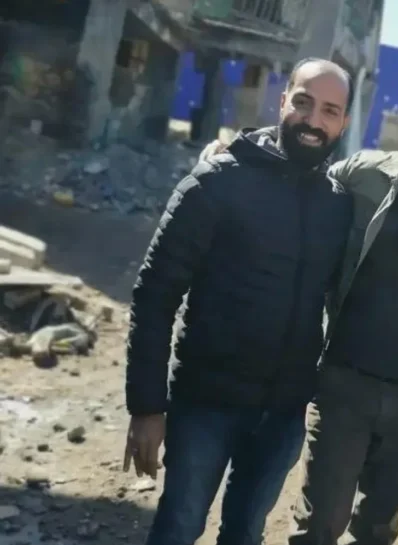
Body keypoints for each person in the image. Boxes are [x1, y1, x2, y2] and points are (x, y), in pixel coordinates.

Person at [199, 73, 398, 545]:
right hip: (343, 388)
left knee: (375, 530)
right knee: (318, 526)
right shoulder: (364, 176)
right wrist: (235, 159)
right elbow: (298, 175)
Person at [122, 58, 354, 545]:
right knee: (179, 528)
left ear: (344, 122)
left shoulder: (338, 204)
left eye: (330, 111)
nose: (313, 120)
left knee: (246, 533)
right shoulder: (217, 182)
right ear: (283, 101)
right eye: (304, 102)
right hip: (205, 405)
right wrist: (146, 407)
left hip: (283, 415)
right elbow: (155, 292)